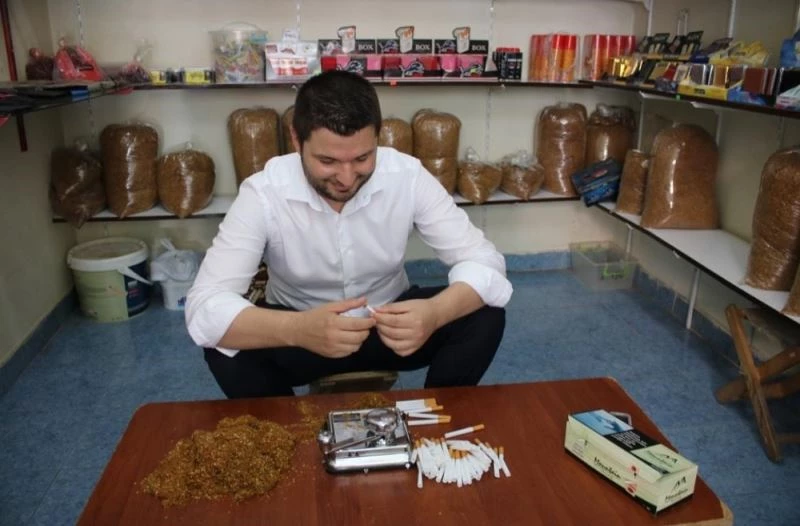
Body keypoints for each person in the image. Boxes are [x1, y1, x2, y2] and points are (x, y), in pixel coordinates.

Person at [186, 70, 513, 398]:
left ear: (377, 138)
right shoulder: (264, 192)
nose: (346, 178)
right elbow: (204, 307)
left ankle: (438, 417)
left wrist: (435, 314)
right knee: (224, 348)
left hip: (386, 325)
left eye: (362, 158)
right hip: (301, 331)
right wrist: (297, 329)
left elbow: (485, 262)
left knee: (484, 315)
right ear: (297, 140)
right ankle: (286, 425)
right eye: (327, 160)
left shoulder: (407, 176)